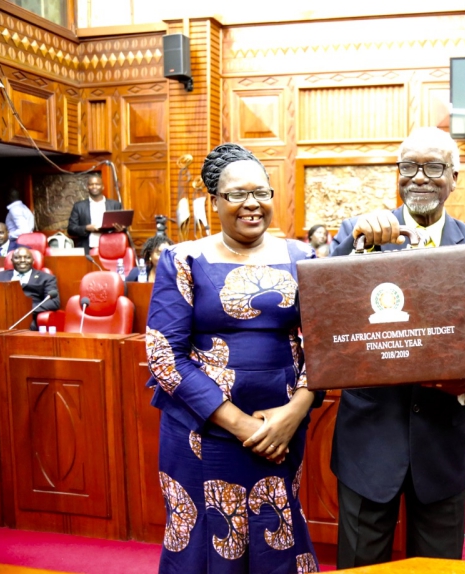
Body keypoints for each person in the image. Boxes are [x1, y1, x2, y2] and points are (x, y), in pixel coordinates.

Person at [330, 127, 465, 568]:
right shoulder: (360, 235)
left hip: (440, 443)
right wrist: (355, 251)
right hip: (368, 443)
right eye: (409, 167)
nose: (419, 178)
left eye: (433, 167)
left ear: (454, 177)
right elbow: (325, 317)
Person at [145, 143, 321, 573]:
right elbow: (164, 354)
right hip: (201, 434)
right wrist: (242, 425)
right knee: (206, 541)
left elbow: (326, 345)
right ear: (214, 202)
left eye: (261, 192)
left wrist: (294, 412)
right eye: (237, 194)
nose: (251, 204)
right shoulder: (183, 259)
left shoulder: (304, 259)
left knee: (276, 533)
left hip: (282, 432)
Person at [0, 247, 60, 330]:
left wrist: (26, 310)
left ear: (33, 260)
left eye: (27, 257)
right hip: (1, 316)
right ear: (12, 260)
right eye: (17, 257)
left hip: (28, 318)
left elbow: (54, 302)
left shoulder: (46, 278)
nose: (22, 260)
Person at [67, 173, 124, 253]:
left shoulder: (115, 205)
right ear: (87, 187)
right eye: (91, 184)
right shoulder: (79, 206)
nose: (94, 187)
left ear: (102, 187)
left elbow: (124, 227)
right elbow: (71, 229)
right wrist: (86, 228)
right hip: (87, 249)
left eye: (97, 184)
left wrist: (120, 229)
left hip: (111, 247)